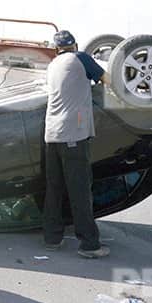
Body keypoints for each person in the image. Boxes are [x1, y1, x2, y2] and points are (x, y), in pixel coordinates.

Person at [41, 30, 111, 259]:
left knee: (54, 188)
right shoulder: (81, 58)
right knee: (80, 190)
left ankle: (52, 238)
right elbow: (107, 80)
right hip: (73, 133)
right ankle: (89, 245)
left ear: (56, 48)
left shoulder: (52, 65)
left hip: (51, 135)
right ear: (75, 45)